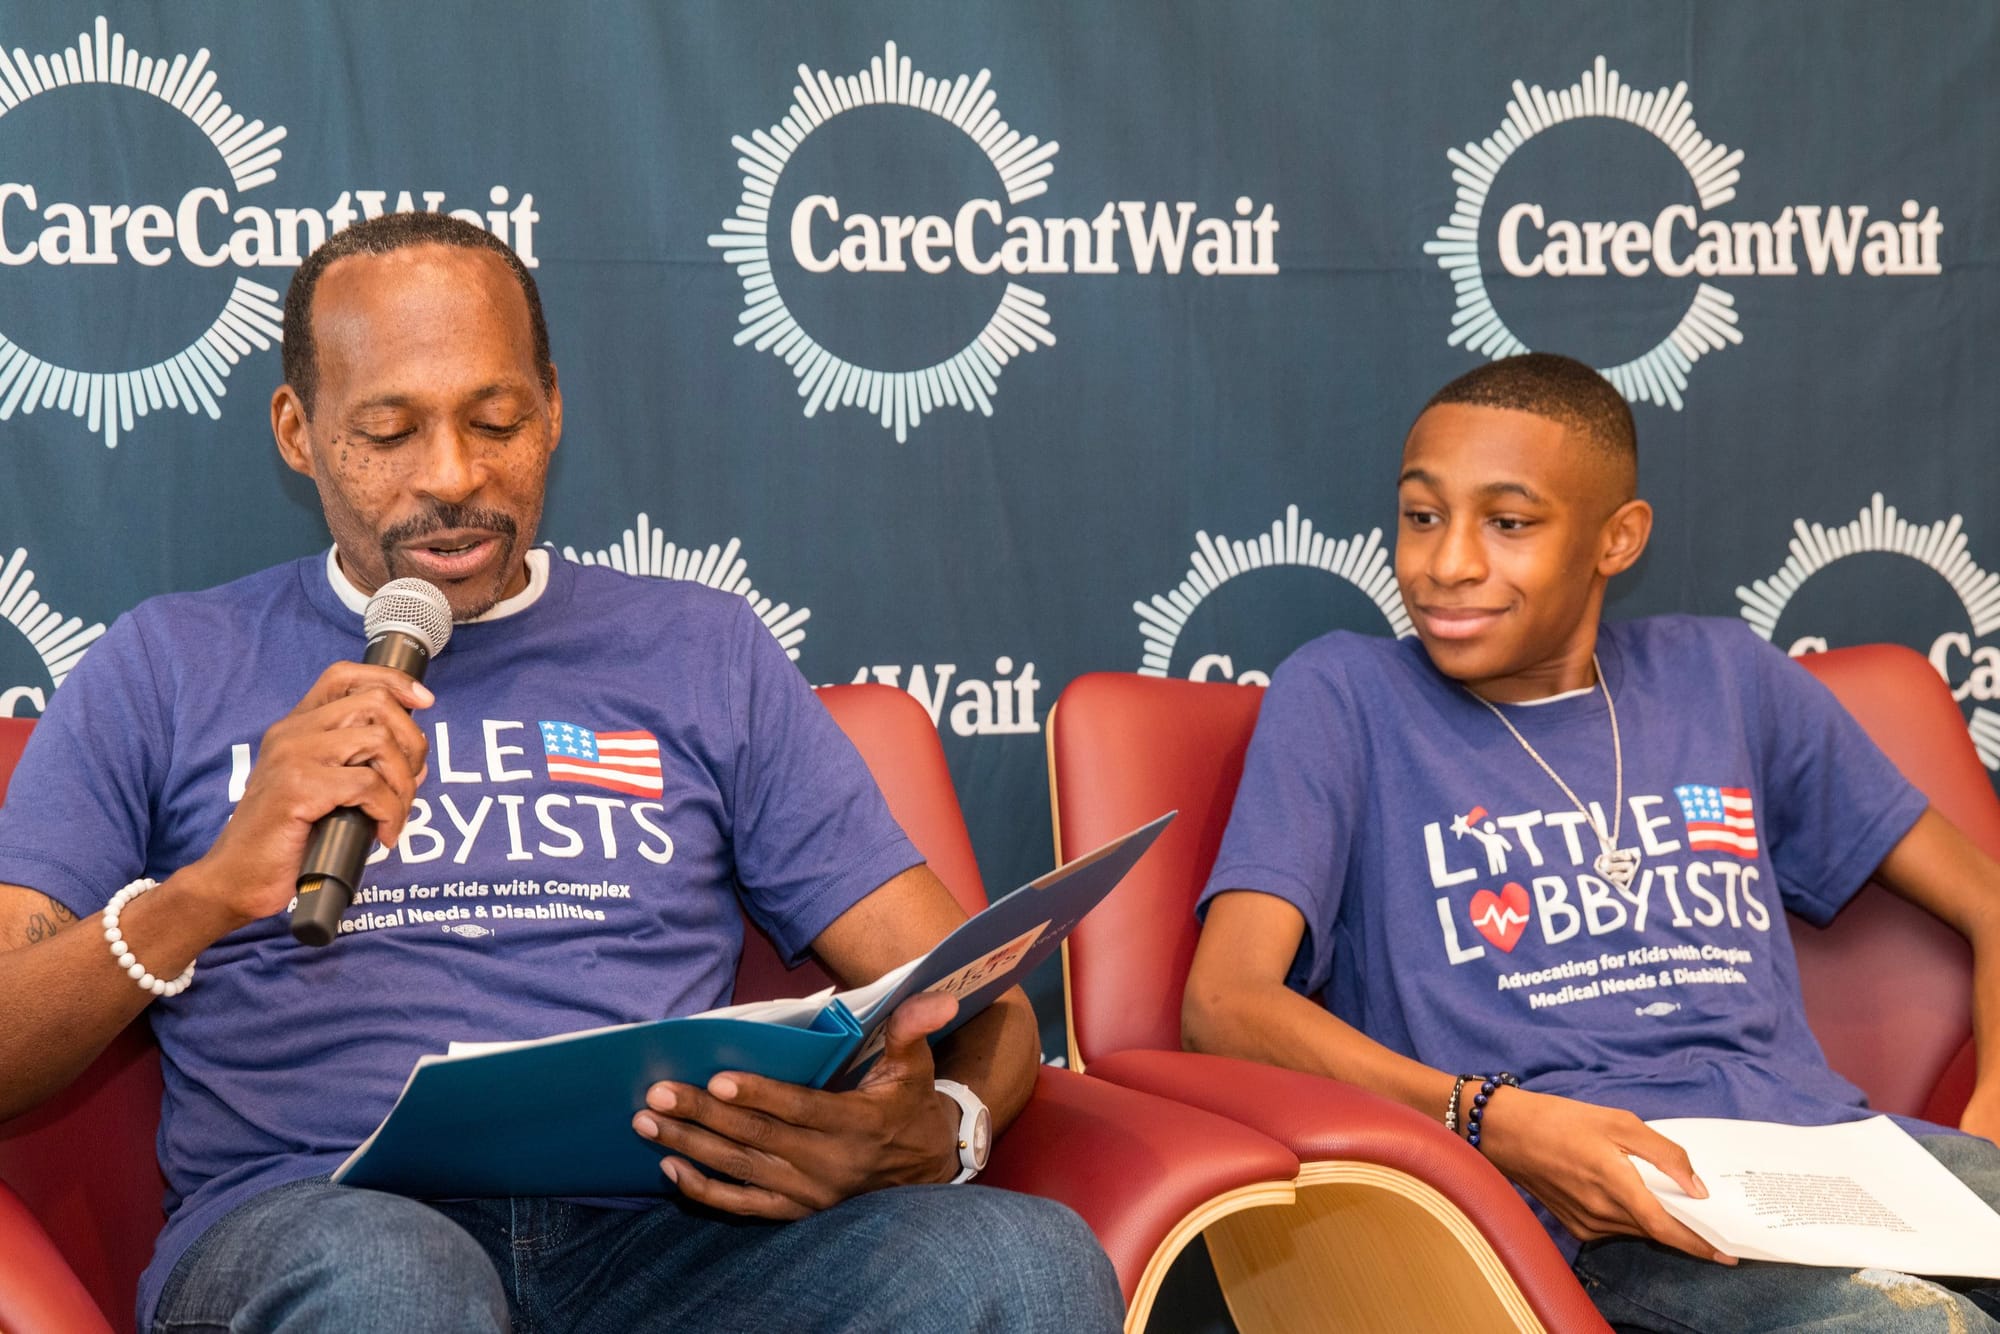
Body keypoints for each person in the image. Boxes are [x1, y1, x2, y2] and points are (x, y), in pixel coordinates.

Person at [0, 211, 1122, 1333]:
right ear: (298, 430)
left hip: (670, 1241)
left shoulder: (701, 651)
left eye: (496, 421)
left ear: (553, 409)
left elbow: (975, 992)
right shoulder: (164, 664)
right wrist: (204, 893)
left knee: (1018, 1264)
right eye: (387, 433)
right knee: (392, 1282)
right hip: (323, 1220)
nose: (452, 477)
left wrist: (945, 1126)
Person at [1183, 352, 2000, 1331]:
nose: (1446, 563)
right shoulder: (1346, 695)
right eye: (1420, 514)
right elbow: (1224, 1002)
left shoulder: (1722, 675)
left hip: (1826, 1156)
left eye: (1508, 522)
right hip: (1576, 1207)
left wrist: (1989, 1107)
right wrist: (1488, 1116)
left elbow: (1985, 898)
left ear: (1616, 537)